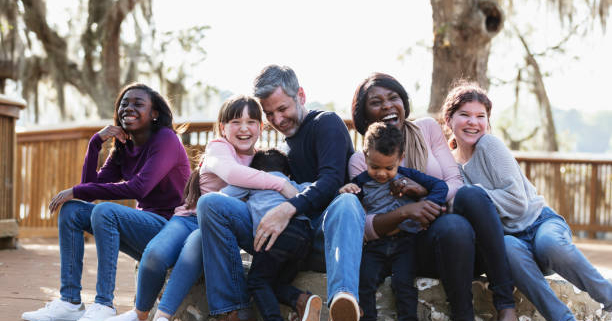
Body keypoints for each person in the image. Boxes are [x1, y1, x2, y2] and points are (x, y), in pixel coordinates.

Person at [107, 95, 299, 321]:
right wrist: (281, 183)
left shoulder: (261, 160)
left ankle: (163, 316)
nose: (244, 129)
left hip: (214, 228)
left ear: (261, 126)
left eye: (251, 122)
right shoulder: (219, 147)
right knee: (155, 255)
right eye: (236, 122)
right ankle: (139, 312)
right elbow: (231, 173)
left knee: (195, 247)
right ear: (222, 127)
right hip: (188, 219)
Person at [348, 73, 517, 321]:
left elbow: (455, 183)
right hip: (401, 247)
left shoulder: (426, 130)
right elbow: (363, 225)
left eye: (393, 98)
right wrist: (406, 212)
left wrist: (425, 194)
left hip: (441, 233)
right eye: (376, 102)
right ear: (364, 115)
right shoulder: (360, 162)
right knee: (455, 226)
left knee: (467, 204)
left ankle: (504, 306)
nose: (386, 105)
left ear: (403, 103)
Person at [442, 81, 612, 321]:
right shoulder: (450, 167)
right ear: (449, 120)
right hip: (511, 242)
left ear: (487, 122)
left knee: (550, 245)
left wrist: (475, 194)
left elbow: (517, 202)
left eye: (481, 116)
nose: (473, 122)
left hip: (539, 223)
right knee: (508, 249)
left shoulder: (489, 146)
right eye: (465, 115)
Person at [197, 65, 356, 321]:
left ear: (301, 96)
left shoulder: (325, 123)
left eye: (282, 109)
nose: (278, 120)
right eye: (270, 114)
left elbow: (330, 181)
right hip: (278, 239)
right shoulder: (283, 147)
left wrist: (287, 209)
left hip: (319, 232)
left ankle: (339, 298)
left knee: (345, 202)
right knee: (211, 204)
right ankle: (233, 310)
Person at [21, 83, 191, 321]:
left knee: (105, 211)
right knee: (71, 210)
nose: (128, 108)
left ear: (154, 114)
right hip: (145, 228)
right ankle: (69, 301)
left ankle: (104, 304)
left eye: (138, 104)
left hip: (169, 230)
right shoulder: (124, 146)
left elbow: (139, 187)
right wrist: (95, 143)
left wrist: (78, 189)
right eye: (124, 103)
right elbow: (89, 191)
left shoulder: (166, 139)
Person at [338, 122, 448, 321]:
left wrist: (428, 205)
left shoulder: (408, 177)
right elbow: (347, 204)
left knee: (403, 284)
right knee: (365, 281)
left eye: (389, 167)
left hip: (405, 243)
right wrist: (346, 191)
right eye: (374, 167)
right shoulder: (360, 182)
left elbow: (440, 186)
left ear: (400, 158)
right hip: (375, 245)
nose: (381, 173)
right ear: (365, 157)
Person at [221, 148, 322, 321]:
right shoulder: (295, 185)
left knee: (256, 282)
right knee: (273, 282)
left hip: (276, 234)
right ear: (288, 174)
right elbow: (314, 192)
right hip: (303, 236)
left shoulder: (253, 182)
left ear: (255, 172)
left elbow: (222, 198)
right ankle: (301, 299)